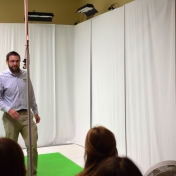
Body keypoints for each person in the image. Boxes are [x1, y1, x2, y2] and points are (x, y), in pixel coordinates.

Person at [0, 51, 41, 176]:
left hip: (27, 116)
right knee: (9, 150)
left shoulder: (25, 75)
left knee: (32, 145)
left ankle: (31, 174)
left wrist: (36, 111)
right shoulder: (2, 77)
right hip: (10, 118)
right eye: (12, 61)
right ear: (7, 62)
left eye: (17, 61)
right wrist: (8, 109)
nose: (15, 63)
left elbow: (31, 95)